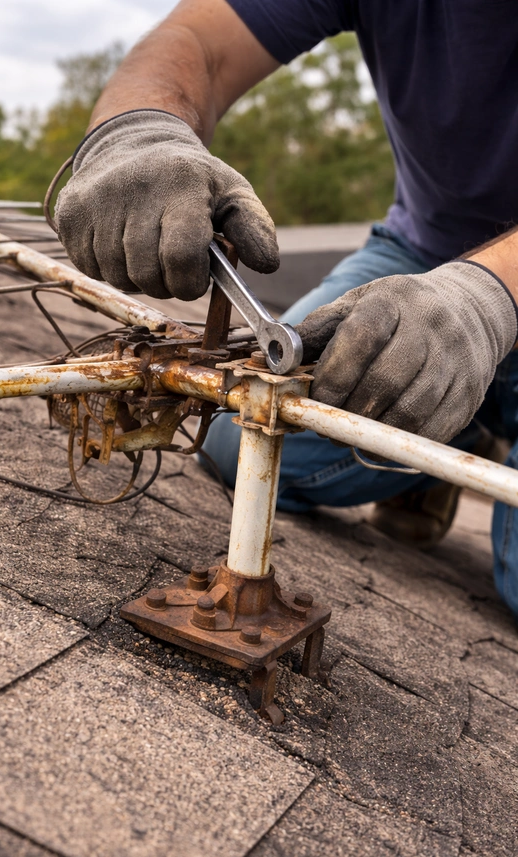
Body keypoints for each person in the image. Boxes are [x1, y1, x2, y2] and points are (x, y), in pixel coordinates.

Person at [54, 0, 518, 613]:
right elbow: (200, 38)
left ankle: (454, 400)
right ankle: (461, 418)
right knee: (243, 432)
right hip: (423, 257)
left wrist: (484, 302)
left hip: (473, 292)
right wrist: (138, 130)